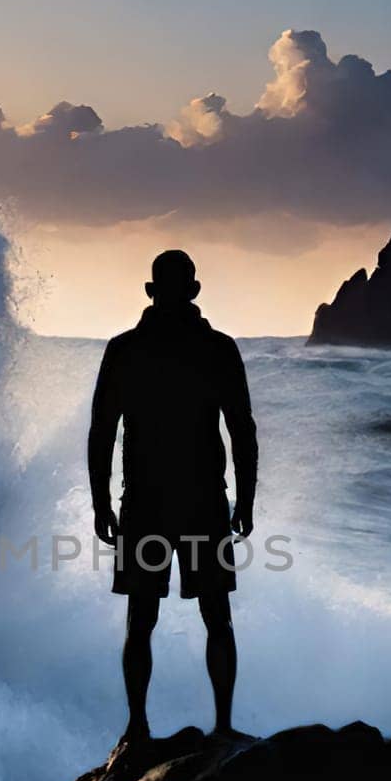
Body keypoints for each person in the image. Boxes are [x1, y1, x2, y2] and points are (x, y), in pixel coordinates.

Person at [88, 249, 258, 743]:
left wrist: (101, 502)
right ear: (195, 292)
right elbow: (241, 432)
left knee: (142, 617)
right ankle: (222, 725)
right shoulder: (218, 349)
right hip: (204, 499)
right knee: (215, 615)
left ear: (150, 292)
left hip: (144, 501)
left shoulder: (125, 350)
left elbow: (102, 433)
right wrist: (243, 499)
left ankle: (137, 725)